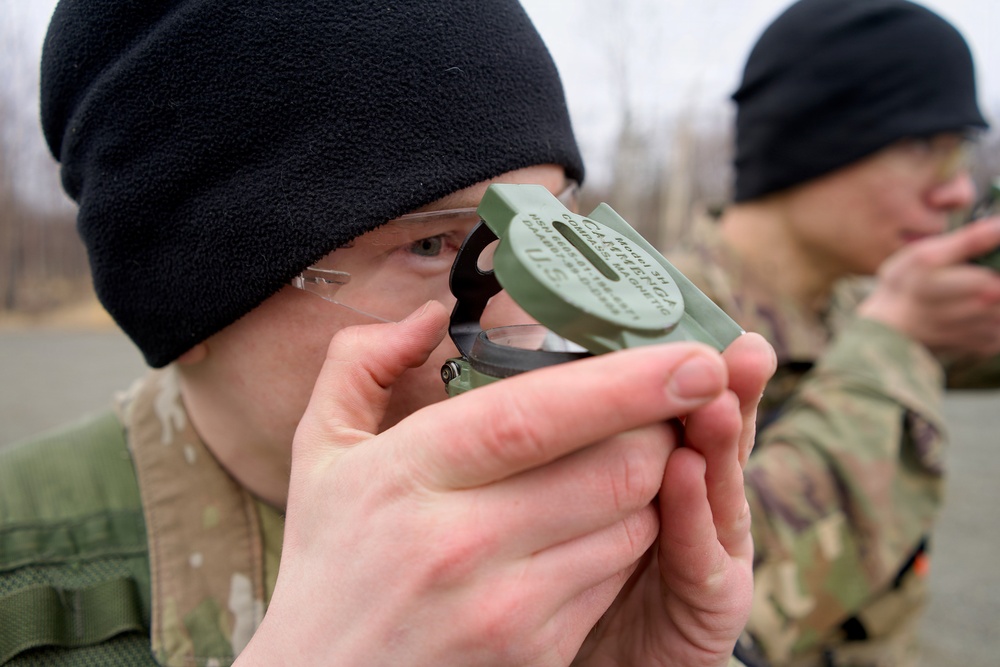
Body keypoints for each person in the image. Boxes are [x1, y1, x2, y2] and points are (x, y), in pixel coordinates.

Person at [0, 1, 777, 666]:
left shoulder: (592, 550)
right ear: (187, 295)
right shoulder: (22, 578)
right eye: (435, 245)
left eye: (554, 237)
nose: (533, 324)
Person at [665, 0, 1000, 665]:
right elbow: (702, 618)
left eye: (958, 154)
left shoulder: (846, 304)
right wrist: (890, 346)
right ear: (814, 141)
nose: (958, 189)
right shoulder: (653, 333)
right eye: (924, 146)